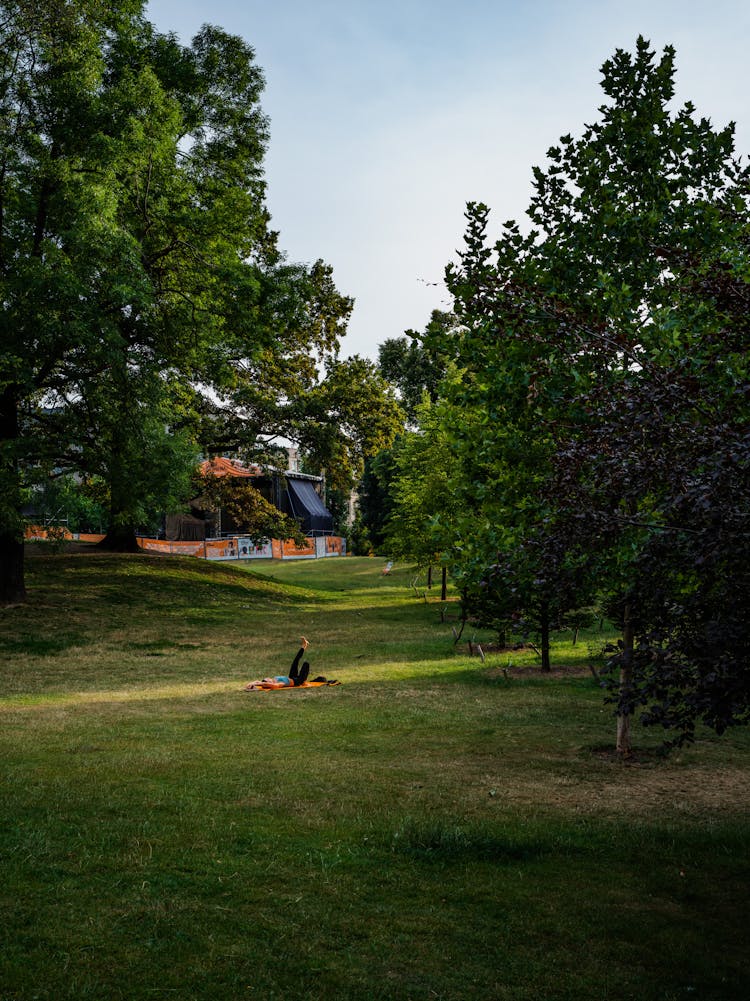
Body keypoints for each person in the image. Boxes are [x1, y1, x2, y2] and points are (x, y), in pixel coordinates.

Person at [243, 637, 311, 691]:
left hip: (292, 677)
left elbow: (257, 681)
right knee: (306, 664)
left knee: (295, 661)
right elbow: (275, 686)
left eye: (266, 679)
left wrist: (250, 684)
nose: (267, 678)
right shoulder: (278, 683)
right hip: (298, 681)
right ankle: (304, 681)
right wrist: (264, 683)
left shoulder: (274, 679)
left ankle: (304, 645)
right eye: (267, 680)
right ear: (269, 682)